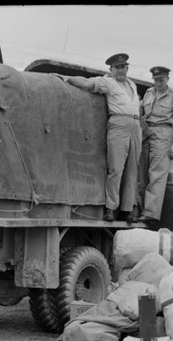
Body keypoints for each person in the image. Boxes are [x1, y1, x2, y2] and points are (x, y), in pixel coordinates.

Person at [60, 53, 141, 222]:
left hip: (135, 125)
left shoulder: (132, 85)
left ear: (127, 68)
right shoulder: (108, 82)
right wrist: (67, 78)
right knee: (116, 168)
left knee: (132, 169)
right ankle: (111, 208)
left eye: (123, 67)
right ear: (110, 70)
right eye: (116, 68)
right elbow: (88, 83)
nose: (120, 70)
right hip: (119, 124)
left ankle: (128, 208)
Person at [138, 66, 173, 226]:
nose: (158, 83)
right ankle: (139, 209)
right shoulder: (149, 93)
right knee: (142, 172)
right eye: (156, 80)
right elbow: (141, 109)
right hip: (146, 132)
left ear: (167, 79)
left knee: (157, 174)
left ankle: (151, 213)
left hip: (163, 133)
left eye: (161, 80)